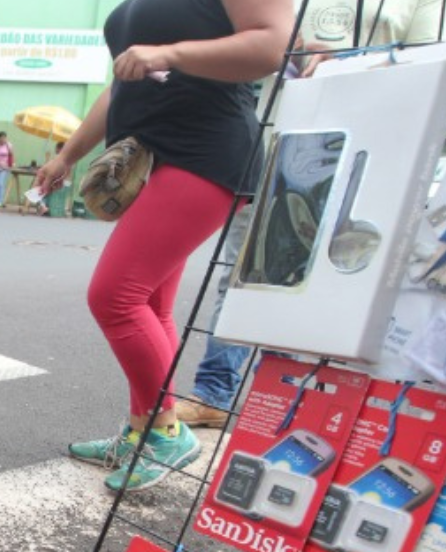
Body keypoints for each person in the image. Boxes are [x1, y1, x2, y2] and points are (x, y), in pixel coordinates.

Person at [35, 0, 292, 492]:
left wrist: (169, 53)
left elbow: (273, 43)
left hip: (204, 150)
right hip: (149, 155)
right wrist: (67, 155)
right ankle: (141, 432)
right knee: (150, 304)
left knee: (114, 296)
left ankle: (165, 431)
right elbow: (123, 83)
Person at [176, 0, 446, 429]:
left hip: (377, 156)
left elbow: (431, 59)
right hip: (285, 142)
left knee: (359, 282)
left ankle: (346, 404)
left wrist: (353, 61)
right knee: (252, 276)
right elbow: (253, 52)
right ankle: (219, 391)